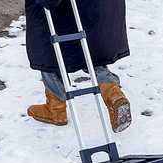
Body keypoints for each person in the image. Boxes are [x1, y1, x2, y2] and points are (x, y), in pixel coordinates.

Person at [24, 0, 132, 133]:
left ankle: (55, 109)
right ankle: (113, 93)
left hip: (66, 10)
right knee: (91, 50)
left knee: (49, 51)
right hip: (104, 8)